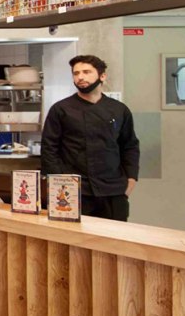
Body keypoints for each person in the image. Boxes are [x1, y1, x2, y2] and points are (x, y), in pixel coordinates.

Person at [40, 54, 139, 221]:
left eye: (86, 72)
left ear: (102, 76)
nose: (80, 77)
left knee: (113, 241)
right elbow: (49, 148)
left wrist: (131, 179)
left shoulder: (119, 109)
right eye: (76, 73)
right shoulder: (61, 109)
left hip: (113, 189)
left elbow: (129, 145)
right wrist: (58, 183)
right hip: (75, 190)